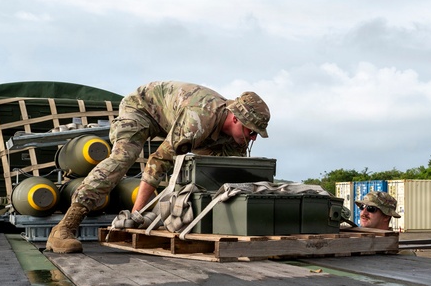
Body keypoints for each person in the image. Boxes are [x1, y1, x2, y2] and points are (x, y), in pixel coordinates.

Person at [46, 81, 270, 253]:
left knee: (219, 167)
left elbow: (232, 180)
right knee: (123, 157)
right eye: (251, 131)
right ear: (236, 119)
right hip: (141, 108)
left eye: (256, 134)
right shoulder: (200, 119)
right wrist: (136, 216)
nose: (253, 138)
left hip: (173, 117)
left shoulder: (236, 138)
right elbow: (159, 161)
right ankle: (64, 227)